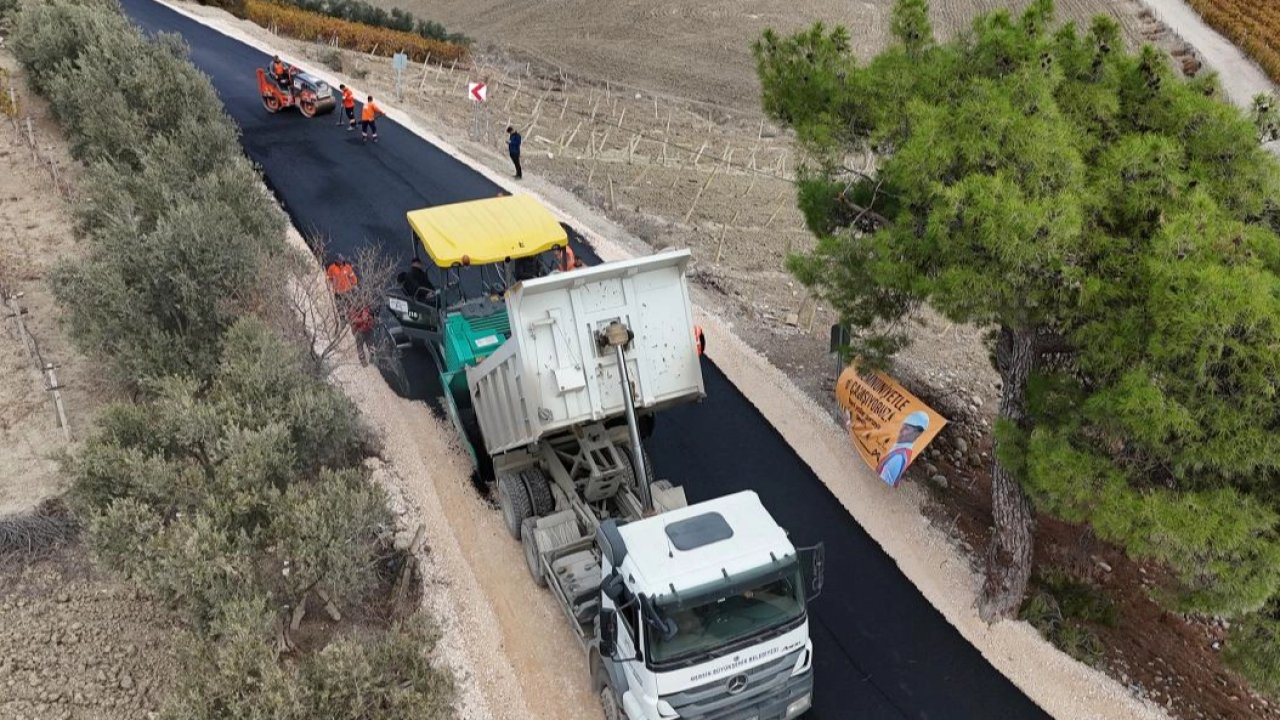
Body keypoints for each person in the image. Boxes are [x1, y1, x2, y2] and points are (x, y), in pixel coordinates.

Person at [877, 410, 930, 487]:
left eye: (906, 429)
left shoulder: (898, 458)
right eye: (903, 426)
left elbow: (882, 484)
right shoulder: (899, 448)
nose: (901, 431)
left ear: (917, 434)